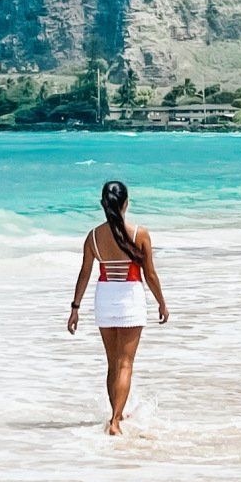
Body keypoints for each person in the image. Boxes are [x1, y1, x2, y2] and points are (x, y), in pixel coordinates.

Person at [67, 179, 167, 434]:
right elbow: (150, 275)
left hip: (104, 297)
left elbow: (85, 273)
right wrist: (161, 303)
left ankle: (118, 415)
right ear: (125, 203)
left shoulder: (93, 237)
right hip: (129, 296)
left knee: (113, 363)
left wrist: (75, 307)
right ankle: (114, 421)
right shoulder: (138, 234)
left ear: (103, 204)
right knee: (125, 364)